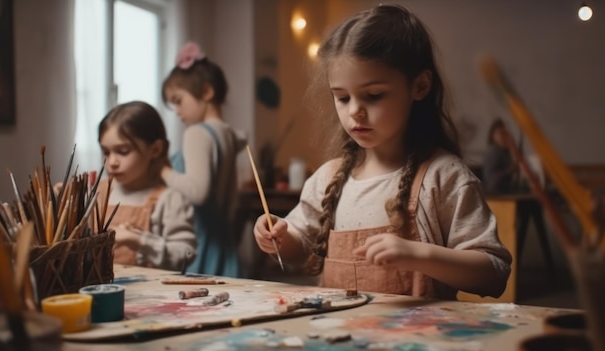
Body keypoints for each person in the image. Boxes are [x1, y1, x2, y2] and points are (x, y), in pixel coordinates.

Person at [253, 4, 511, 299]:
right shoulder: (328, 178)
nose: (355, 112)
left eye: (373, 96)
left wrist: (418, 255)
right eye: (342, 97)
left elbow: (493, 273)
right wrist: (278, 237)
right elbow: (300, 249)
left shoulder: (444, 177)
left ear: (420, 86)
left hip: (418, 341)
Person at [161, 42, 246, 278]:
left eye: (178, 100)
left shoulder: (197, 134)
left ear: (207, 92)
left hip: (203, 245)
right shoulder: (228, 133)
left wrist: (164, 171)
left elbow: (198, 191)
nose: (176, 111)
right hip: (226, 246)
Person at [98, 101, 197, 272]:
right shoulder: (96, 192)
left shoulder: (170, 199)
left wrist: (138, 240)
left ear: (155, 150)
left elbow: (186, 255)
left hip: (150, 295)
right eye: (106, 152)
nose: (111, 162)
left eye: (123, 151)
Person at [482, 118, 519, 194]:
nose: (504, 137)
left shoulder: (505, 151)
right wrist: (509, 171)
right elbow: (492, 181)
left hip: (506, 190)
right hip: (495, 193)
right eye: (501, 133)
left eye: (506, 134)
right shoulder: (493, 151)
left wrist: (512, 147)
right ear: (493, 135)